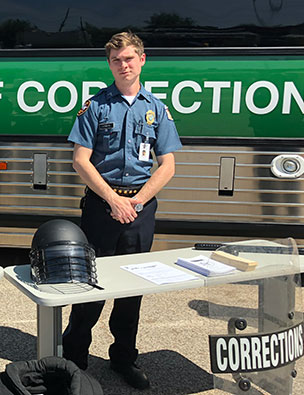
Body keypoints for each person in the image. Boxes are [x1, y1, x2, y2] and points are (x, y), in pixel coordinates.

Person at [61, 32, 182, 390]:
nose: (124, 65)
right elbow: (80, 160)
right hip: (101, 208)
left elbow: (168, 164)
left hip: (140, 210)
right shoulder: (96, 106)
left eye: (129, 58)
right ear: (109, 64)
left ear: (142, 59)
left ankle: (124, 358)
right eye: (116, 60)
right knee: (89, 289)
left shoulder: (156, 109)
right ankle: (73, 362)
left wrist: (137, 201)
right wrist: (113, 200)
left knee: (131, 291)